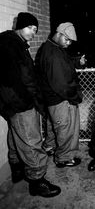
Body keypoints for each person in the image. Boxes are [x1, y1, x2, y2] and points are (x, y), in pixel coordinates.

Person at [0, 12, 61, 198]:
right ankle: (37, 181)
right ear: (20, 26)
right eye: (30, 28)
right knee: (31, 141)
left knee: (16, 134)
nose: (33, 32)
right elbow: (13, 79)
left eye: (35, 30)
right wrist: (25, 102)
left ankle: (17, 168)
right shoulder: (10, 45)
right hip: (20, 103)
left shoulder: (15, 43)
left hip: (14, 103)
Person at [36, 22, 85, 168]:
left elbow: (65, 62)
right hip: (61, 99)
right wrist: (76, 96)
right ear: (59, 34)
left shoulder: (51, 47)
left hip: (51, 99)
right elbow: (62, 84)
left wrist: (77, 61)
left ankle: (49, 146)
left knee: (54, 125)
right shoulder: (53, 54)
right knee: (65, 129)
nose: (69, 43)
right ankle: (63, 158)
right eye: (67, 39)